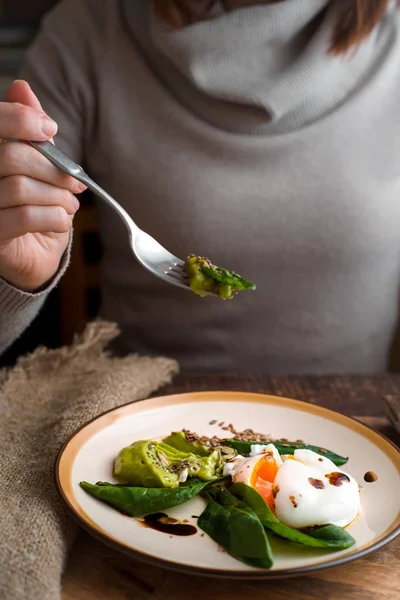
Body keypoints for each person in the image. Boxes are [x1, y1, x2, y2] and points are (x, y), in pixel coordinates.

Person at [0, 0, 399, 372]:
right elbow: (21, 236)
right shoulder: (89, 28)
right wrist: (12, 276)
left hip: (355, 425)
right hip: (139, 415)